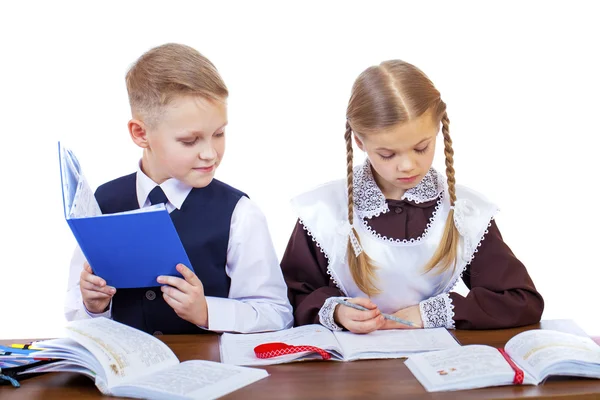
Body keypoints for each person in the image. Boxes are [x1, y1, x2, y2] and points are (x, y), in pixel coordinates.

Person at [281, 60, 543, 333]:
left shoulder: (463, 212)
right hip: (350, 371)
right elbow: (290, 297)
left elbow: (521, 301)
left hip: (436, 365)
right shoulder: (323, 212)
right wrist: (336, 311)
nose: (407, 166)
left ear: (438, 130)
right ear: (359, 142)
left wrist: (429, 313)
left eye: (421, 148)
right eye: (387, 154)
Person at [64, 43, 293, 334]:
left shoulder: (239, 213)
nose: (210, 153)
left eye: (219, 134)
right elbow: (76, 310)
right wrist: (91, 304)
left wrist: (207, 311)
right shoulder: (101, 203)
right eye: (189, 140)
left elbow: (277, 314)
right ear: (141, 133)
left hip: (210, 370)